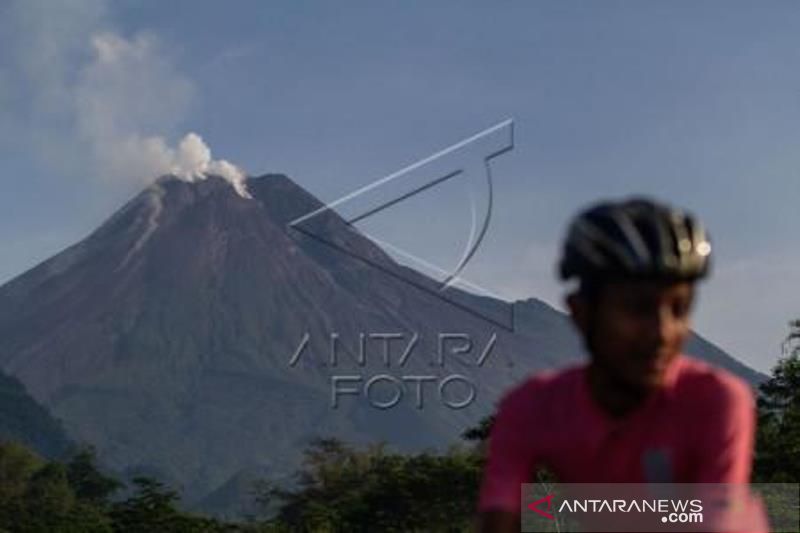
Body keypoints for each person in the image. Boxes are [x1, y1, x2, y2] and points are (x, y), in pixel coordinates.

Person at [475, 198, 765, 532]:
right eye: (637, 308)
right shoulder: (530, 408)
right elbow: (500, 518)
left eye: (679, 308)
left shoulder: (717, 400)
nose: (662, 333)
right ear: (581, 312)